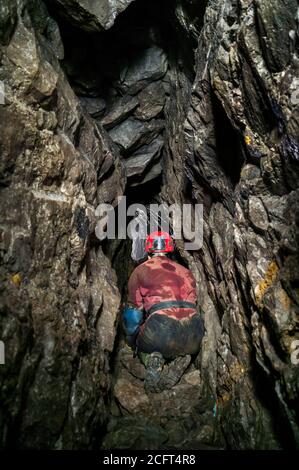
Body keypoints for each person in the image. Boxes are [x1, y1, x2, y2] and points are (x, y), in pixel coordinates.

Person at [122, 231, 205, 393]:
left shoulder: (140, 271)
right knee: (179, 340)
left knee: (144, 342)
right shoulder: (186, 272)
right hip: (194, 330)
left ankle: (152, 359)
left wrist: (131, 342)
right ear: (170, 249)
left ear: (148, 250)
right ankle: (182, 358)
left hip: (161, 330)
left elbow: (133, 316)